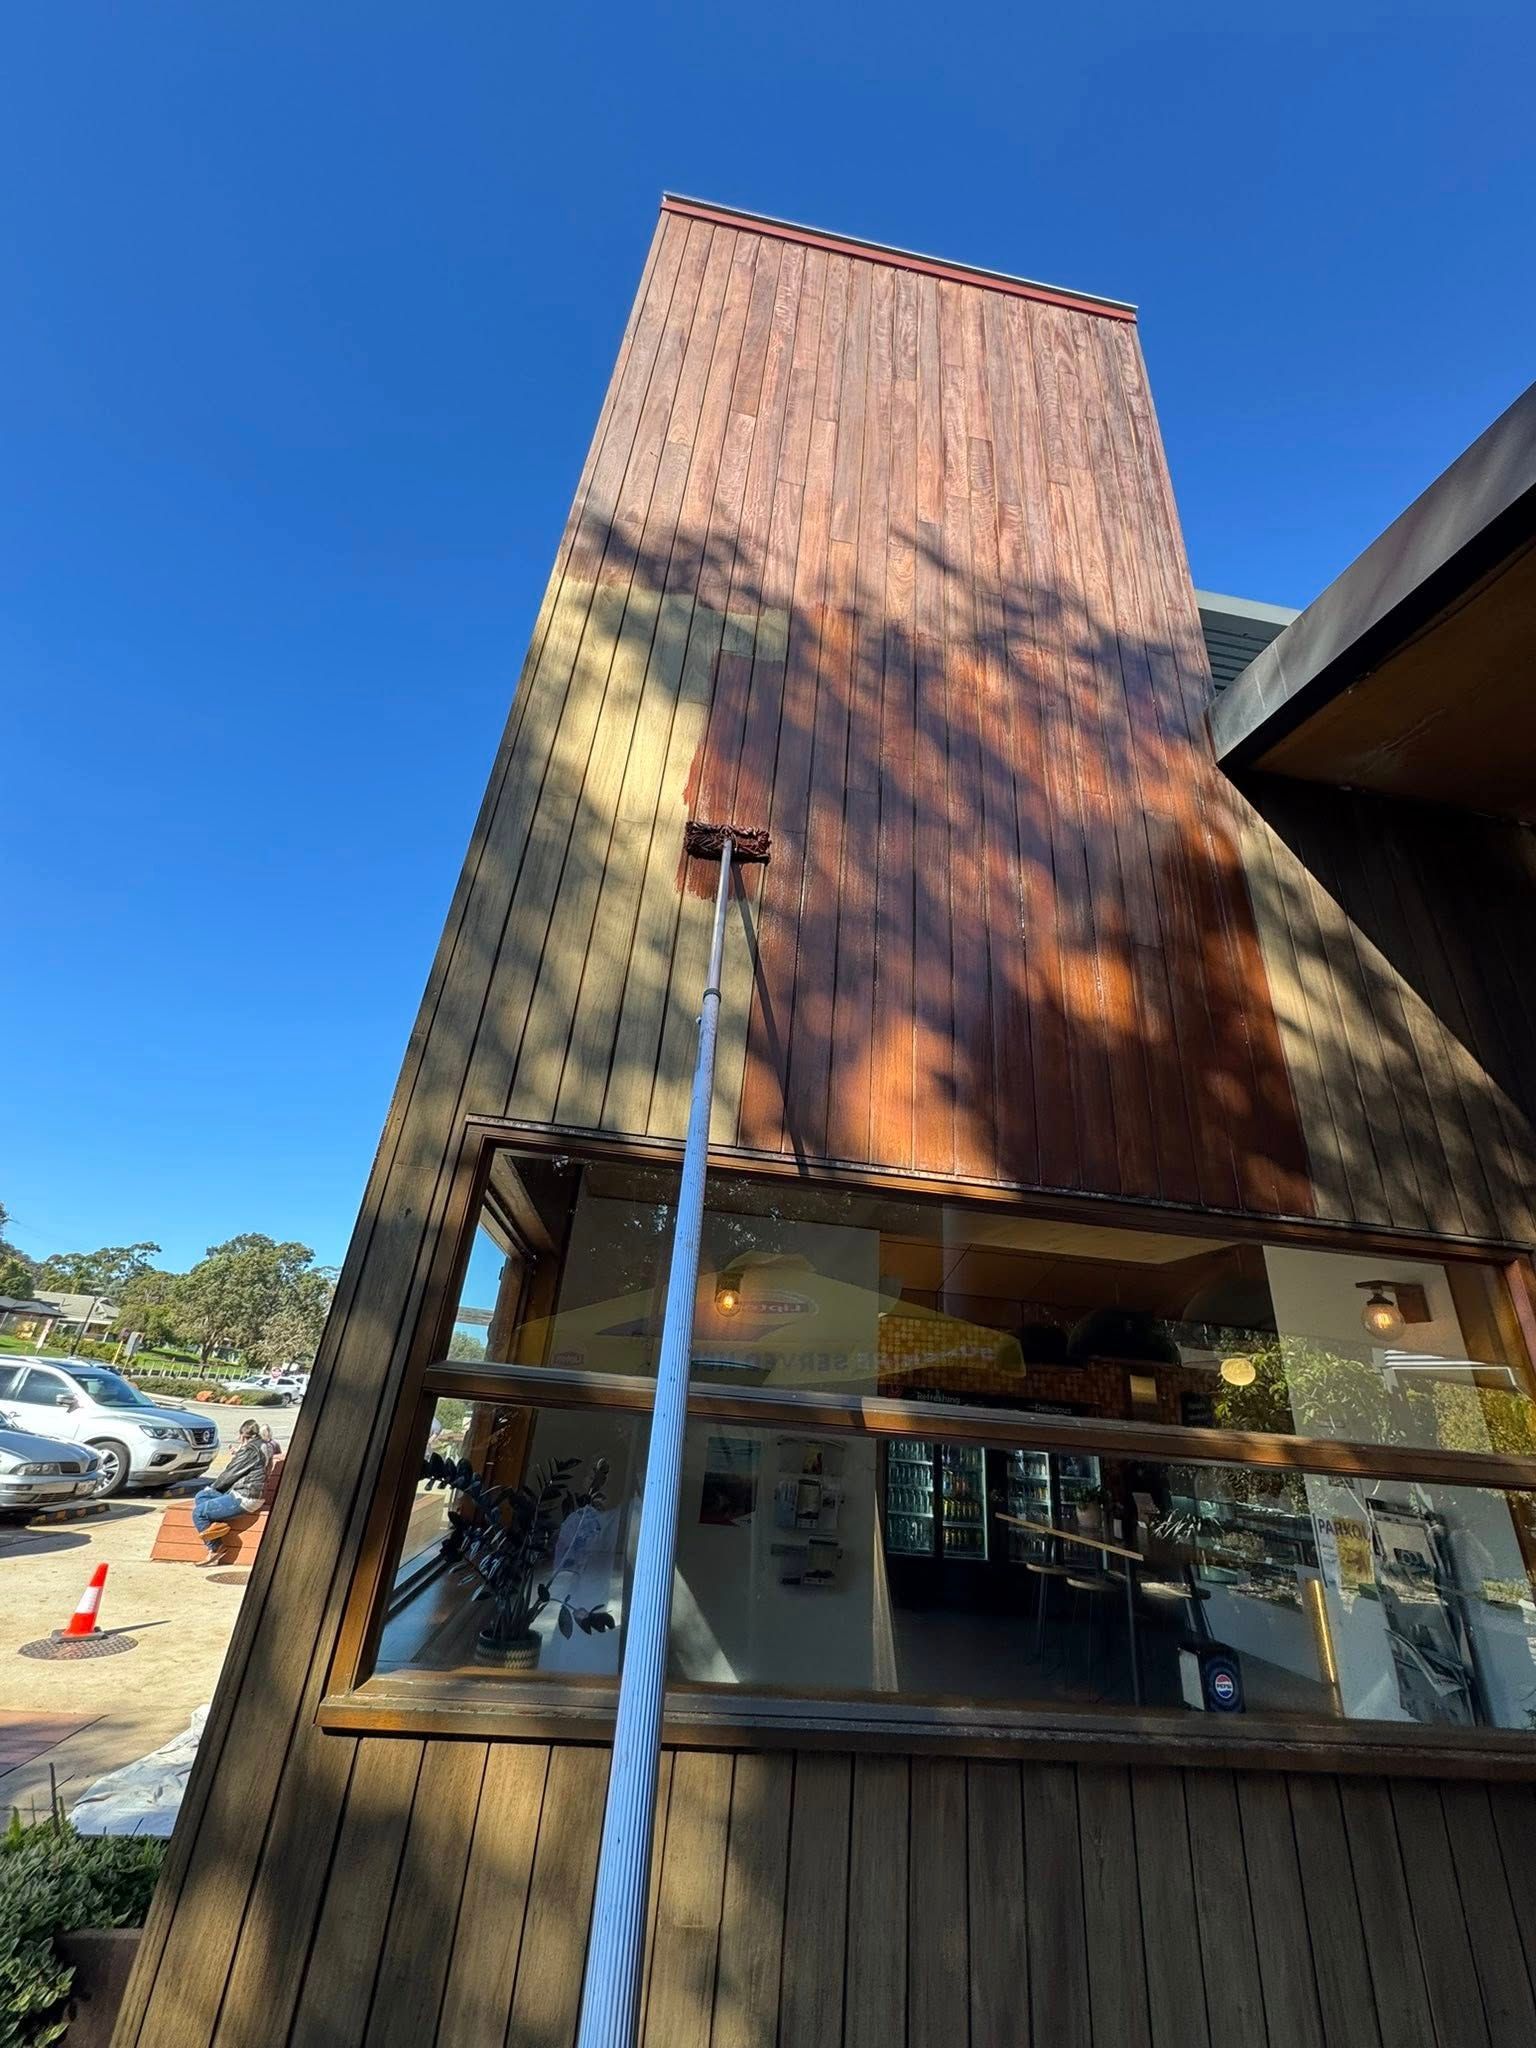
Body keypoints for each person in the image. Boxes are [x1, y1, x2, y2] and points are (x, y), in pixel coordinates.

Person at [191, 1419, 273, 1565]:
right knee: (202, 1496)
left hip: (244, 1497)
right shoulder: (263, 1445)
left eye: (239, 1436)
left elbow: (230, 1474)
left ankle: (216, 1548)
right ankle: (217, 1526)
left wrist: (213, 1487)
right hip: (249, 1495)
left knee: (199, 1513)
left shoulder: (250, 1450)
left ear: (243, 1435)